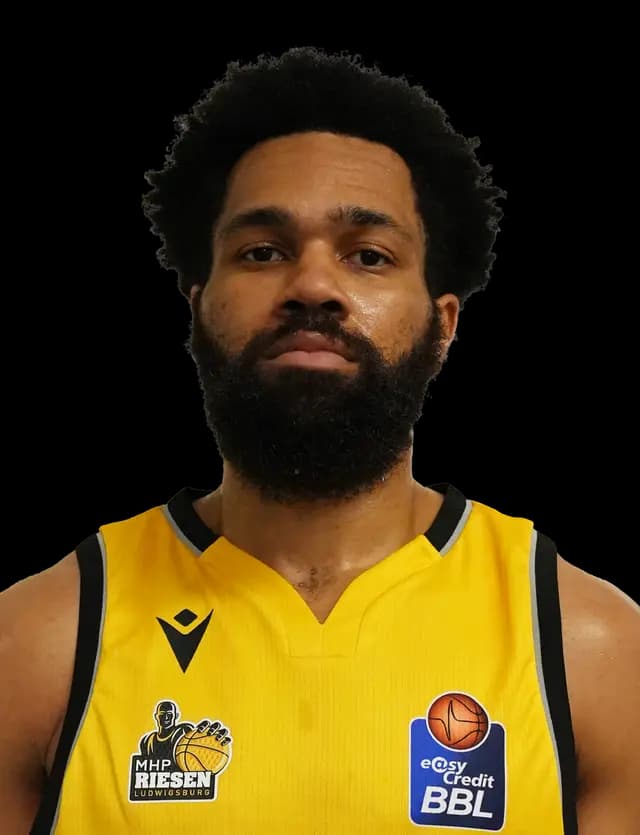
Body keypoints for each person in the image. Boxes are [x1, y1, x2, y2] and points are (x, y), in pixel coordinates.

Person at [1, 45, 637, 835]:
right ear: (198, 308)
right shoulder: (42, 640)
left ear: (443, 326)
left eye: (368, 256)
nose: (311, 285)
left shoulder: (587, 645)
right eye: (262, 252)